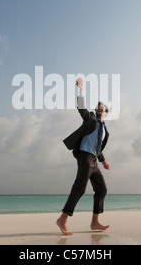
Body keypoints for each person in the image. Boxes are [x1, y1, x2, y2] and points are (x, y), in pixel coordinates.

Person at [56, 78, 110, 235]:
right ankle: (62, 220)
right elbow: (81, 108)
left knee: (102, 190)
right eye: (98, 105)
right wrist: (80, 89)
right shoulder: (91, 119)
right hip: (84, 158)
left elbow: (97, 147)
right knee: (79, 189)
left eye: (102, 106)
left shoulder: (106, 131)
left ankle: (94, 222)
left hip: (94, 161)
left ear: (106, 112)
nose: (99, 106)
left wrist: (104, 161)